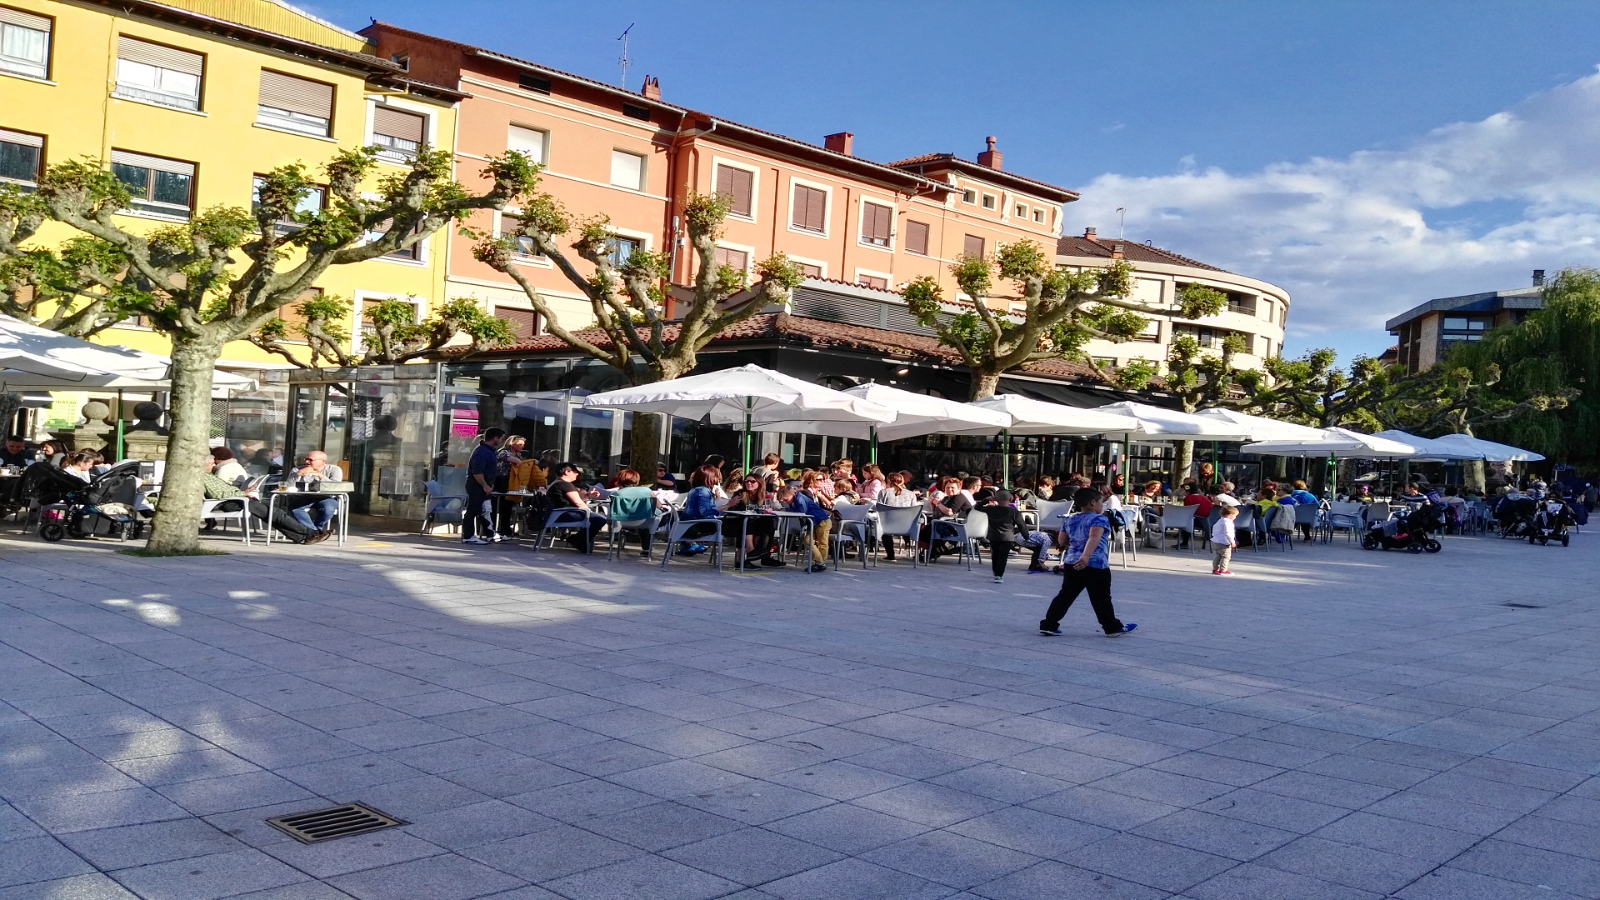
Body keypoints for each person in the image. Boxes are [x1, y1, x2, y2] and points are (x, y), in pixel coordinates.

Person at [1039, 487, 1137, 638]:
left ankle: (1049, 624)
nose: (1102, 505)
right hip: (1095, 564)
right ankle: (1111, 627)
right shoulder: (1099, 519)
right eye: (1101, 502)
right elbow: (1094, 537)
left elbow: (1062, 541)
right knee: (1101, 597)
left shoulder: (1070, 519)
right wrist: (1086, 556)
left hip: (1071, 563)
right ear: (1092, 502)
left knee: (1065, 595)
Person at [201, 453, 324, 544]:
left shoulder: (208, 475)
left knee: (273, 513)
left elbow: (223, 490)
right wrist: (242, 494)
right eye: (212, 463)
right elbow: (218, 494)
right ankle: (311, 533)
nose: (214, 465)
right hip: (231, 501)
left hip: (238, 498)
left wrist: (242, 492)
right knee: (274, 513)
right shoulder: (204, 477)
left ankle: (300, 537)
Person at [723, 473, 783, 567]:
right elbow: (733, 510)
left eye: (752, 481)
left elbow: (773, 508)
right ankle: (747, 555)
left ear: (759, 483)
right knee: (744, 522)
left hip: (753, 523)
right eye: (747, 481)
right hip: (735, 522)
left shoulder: (764, 495)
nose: (749, 483)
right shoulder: (740, 494)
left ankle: (764, 555)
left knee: (769, 522)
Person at [547, 461, 607, 552]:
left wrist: (588, 495)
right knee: (599, 519)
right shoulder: (565, 484)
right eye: (575, 471)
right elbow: (578, 503)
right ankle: (578, 540)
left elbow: (573, 500)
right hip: (563, 514)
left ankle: (577, 540)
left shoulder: (557, 483)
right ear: (567, 472)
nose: (577, 474)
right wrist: (589, 511)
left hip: (556, 514)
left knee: (595, 517)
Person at [460, 428, 505, 545]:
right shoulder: (481, 452)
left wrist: (490, 483)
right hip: (477, 486)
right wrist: (485, 485)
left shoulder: (490, 451)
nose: (501, 441)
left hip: (485, 485)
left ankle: (490, 534)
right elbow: (477, 472)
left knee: (485, 510)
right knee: (473, 510)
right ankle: (468, 536)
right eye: (501, 438)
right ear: (495, 438)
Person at [283, 450, 344, 537]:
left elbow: (335, 486)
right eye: (306, 459)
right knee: (294, 507)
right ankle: (314, 532)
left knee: (328, 509)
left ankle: (317, 528)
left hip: (326, 497)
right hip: (305, 497)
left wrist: (320, 476)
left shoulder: (334, 469)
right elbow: (288, 485)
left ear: (323, 461)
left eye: (310, 460)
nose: (307, 462)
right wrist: (298, 474)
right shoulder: (297, 469)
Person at [607, 468, 664, 558]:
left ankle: (627, 533)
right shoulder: (647, 491)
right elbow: (659, 506)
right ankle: (647, 549)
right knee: (651, 514)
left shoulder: (617, 494)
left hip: (623, 522)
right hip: (645, 521)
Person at [779, 481, 831, 573]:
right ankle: (820, 562)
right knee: (807, 541)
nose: (786, 502)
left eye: (786, 500)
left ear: (792, 494)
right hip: (814, 522)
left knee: (822, 543)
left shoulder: (799, 499)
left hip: (822, 521)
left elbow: (802, 511)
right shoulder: (796, 498)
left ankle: (820, 563)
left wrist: (787, 509)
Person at [985, 490, 1030, 584]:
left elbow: (977, 508)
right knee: (1003, 556)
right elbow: (1022, 525)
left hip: (993, 536)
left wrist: (985, 500)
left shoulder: (990, 509)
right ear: (1010, 499)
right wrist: (1026, 537)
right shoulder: (1014, 511)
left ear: (995, 499)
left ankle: (995, 571)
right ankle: (999, 574)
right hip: (1007, 537)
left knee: (995, 554)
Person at [875, 470, 920, 561]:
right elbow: (914, 508)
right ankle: (916, 553)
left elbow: (879, 508)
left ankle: (890, 555)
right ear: (902, 481)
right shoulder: (911, 494)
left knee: (882, 528)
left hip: (888, 526)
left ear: (888, 481)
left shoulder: (884, 492)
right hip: (907, 526)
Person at [1212, 504, 1239, 575]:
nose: (1235, 517)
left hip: (1215, 541)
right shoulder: (1228, 522)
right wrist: (1232, 542)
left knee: (1217, 556)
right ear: (1230, 515)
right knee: (1226, 557)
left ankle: (1215, 569)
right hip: (1224, 543)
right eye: (1235, 515)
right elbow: (1228, 533)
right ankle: (1223, 570)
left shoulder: (1220, 521)